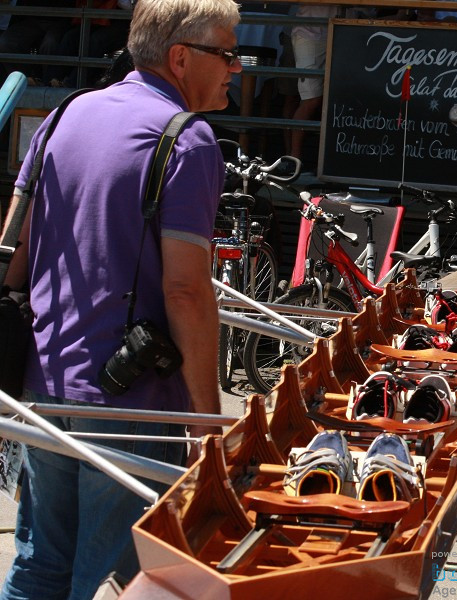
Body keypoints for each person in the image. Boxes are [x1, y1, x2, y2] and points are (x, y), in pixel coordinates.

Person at [0, 0, 241, 597]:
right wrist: (205, 421)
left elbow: (13, 252)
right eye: (228, 53)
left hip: (44, 385)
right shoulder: (190, 140)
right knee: (126, 575)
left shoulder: (64, 115)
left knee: (40, 566)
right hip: (130, 404)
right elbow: (186, 291)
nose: (236, 68)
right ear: (180, 57)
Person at [288, 2, 339, 161]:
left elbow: (365, 8)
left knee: (337, 98)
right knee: (311, 98)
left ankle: (328, 162)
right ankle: (294, 160)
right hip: (310, 33)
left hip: (344, 30)